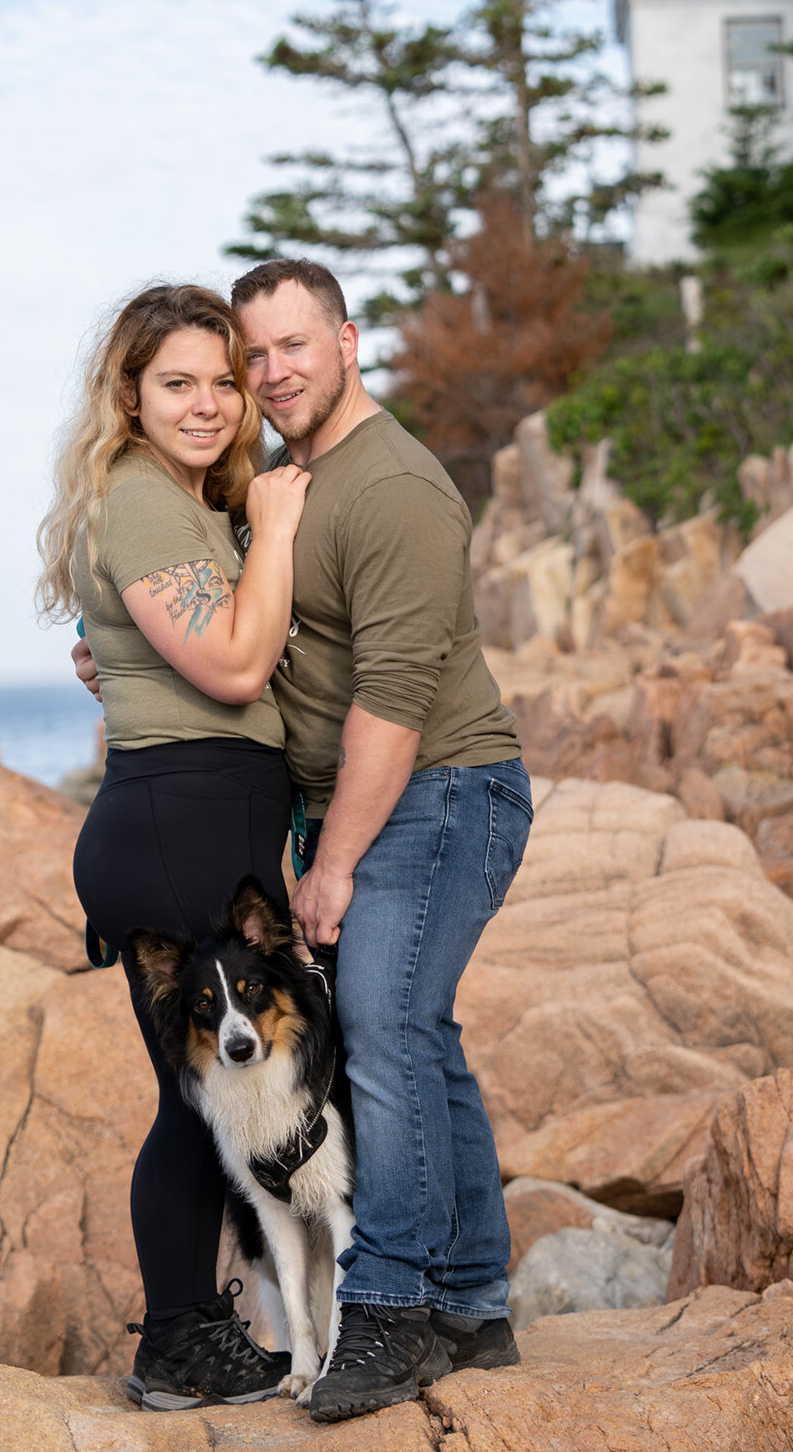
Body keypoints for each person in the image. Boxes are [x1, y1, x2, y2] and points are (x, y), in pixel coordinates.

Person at [230, 258, 532, 1425]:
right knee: (424, 1033)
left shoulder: (395, 487)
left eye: (293, 345)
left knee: (389, 1027)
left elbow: (395, 699)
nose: (271, 373)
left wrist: (335, 861)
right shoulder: (286, 479)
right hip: (378, 795)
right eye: (253, 355)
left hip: (445, 790)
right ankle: (470, 1304)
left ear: (348, 340)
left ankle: (393, 1306)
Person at [37, 282, 311, 1413]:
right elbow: (238, 666)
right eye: (175, 383)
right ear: (129, 396)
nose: (205, 403)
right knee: (197, 1102)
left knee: (209, 1100)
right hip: (172, 823)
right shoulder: (146, 499)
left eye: (219, 379)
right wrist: (284, 527)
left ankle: (211, 1331)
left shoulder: (199, 500)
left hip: (208, 813)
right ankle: (180, 1344)